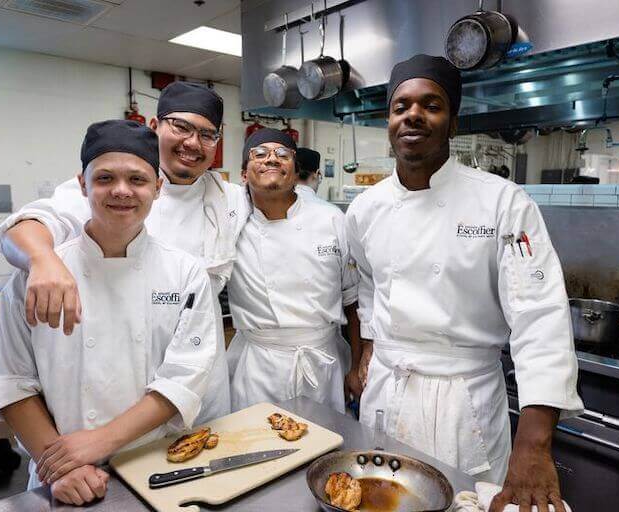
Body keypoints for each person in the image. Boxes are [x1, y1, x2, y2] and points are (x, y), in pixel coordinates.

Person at [345, 55, 582, 512]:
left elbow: (540, 317)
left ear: (453, 121)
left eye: (430, 105)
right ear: (389, 121)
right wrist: (371, 345)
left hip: (464, 402)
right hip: (389, 390)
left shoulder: (502, 202)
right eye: (401, 106)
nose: (413, 115)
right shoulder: (364, 209)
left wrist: (533, 444)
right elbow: (370, 288)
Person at [0, 120, 219, 505]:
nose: (122, 191)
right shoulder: (39, 275)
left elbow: (182, 380)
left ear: (158, 188)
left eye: (138, 180)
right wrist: (61, 464)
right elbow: (12, 383)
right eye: (105, 177)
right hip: (60, 472)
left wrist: (97, 443)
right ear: (82, 184)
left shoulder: (184, 273)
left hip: (154, 463)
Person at [0, 82, 245, 423]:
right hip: (109, 361)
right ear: (155, 127)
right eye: (181, 127)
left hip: (197, 365)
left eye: (207, 134)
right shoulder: (107, 185)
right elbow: (22, 227)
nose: (192, 143)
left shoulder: (227, 197)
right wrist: (43, 260)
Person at [226, 128, 362, 413]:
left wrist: (357, 365)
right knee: (258, 448)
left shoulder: (331, 220)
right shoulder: (229, 222)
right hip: (258, 367)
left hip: (324, 362)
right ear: (243, 174)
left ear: (294, 169)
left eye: (283, 154)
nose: (272, 159)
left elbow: (353, 301)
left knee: (327, 448)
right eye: (260, 154)